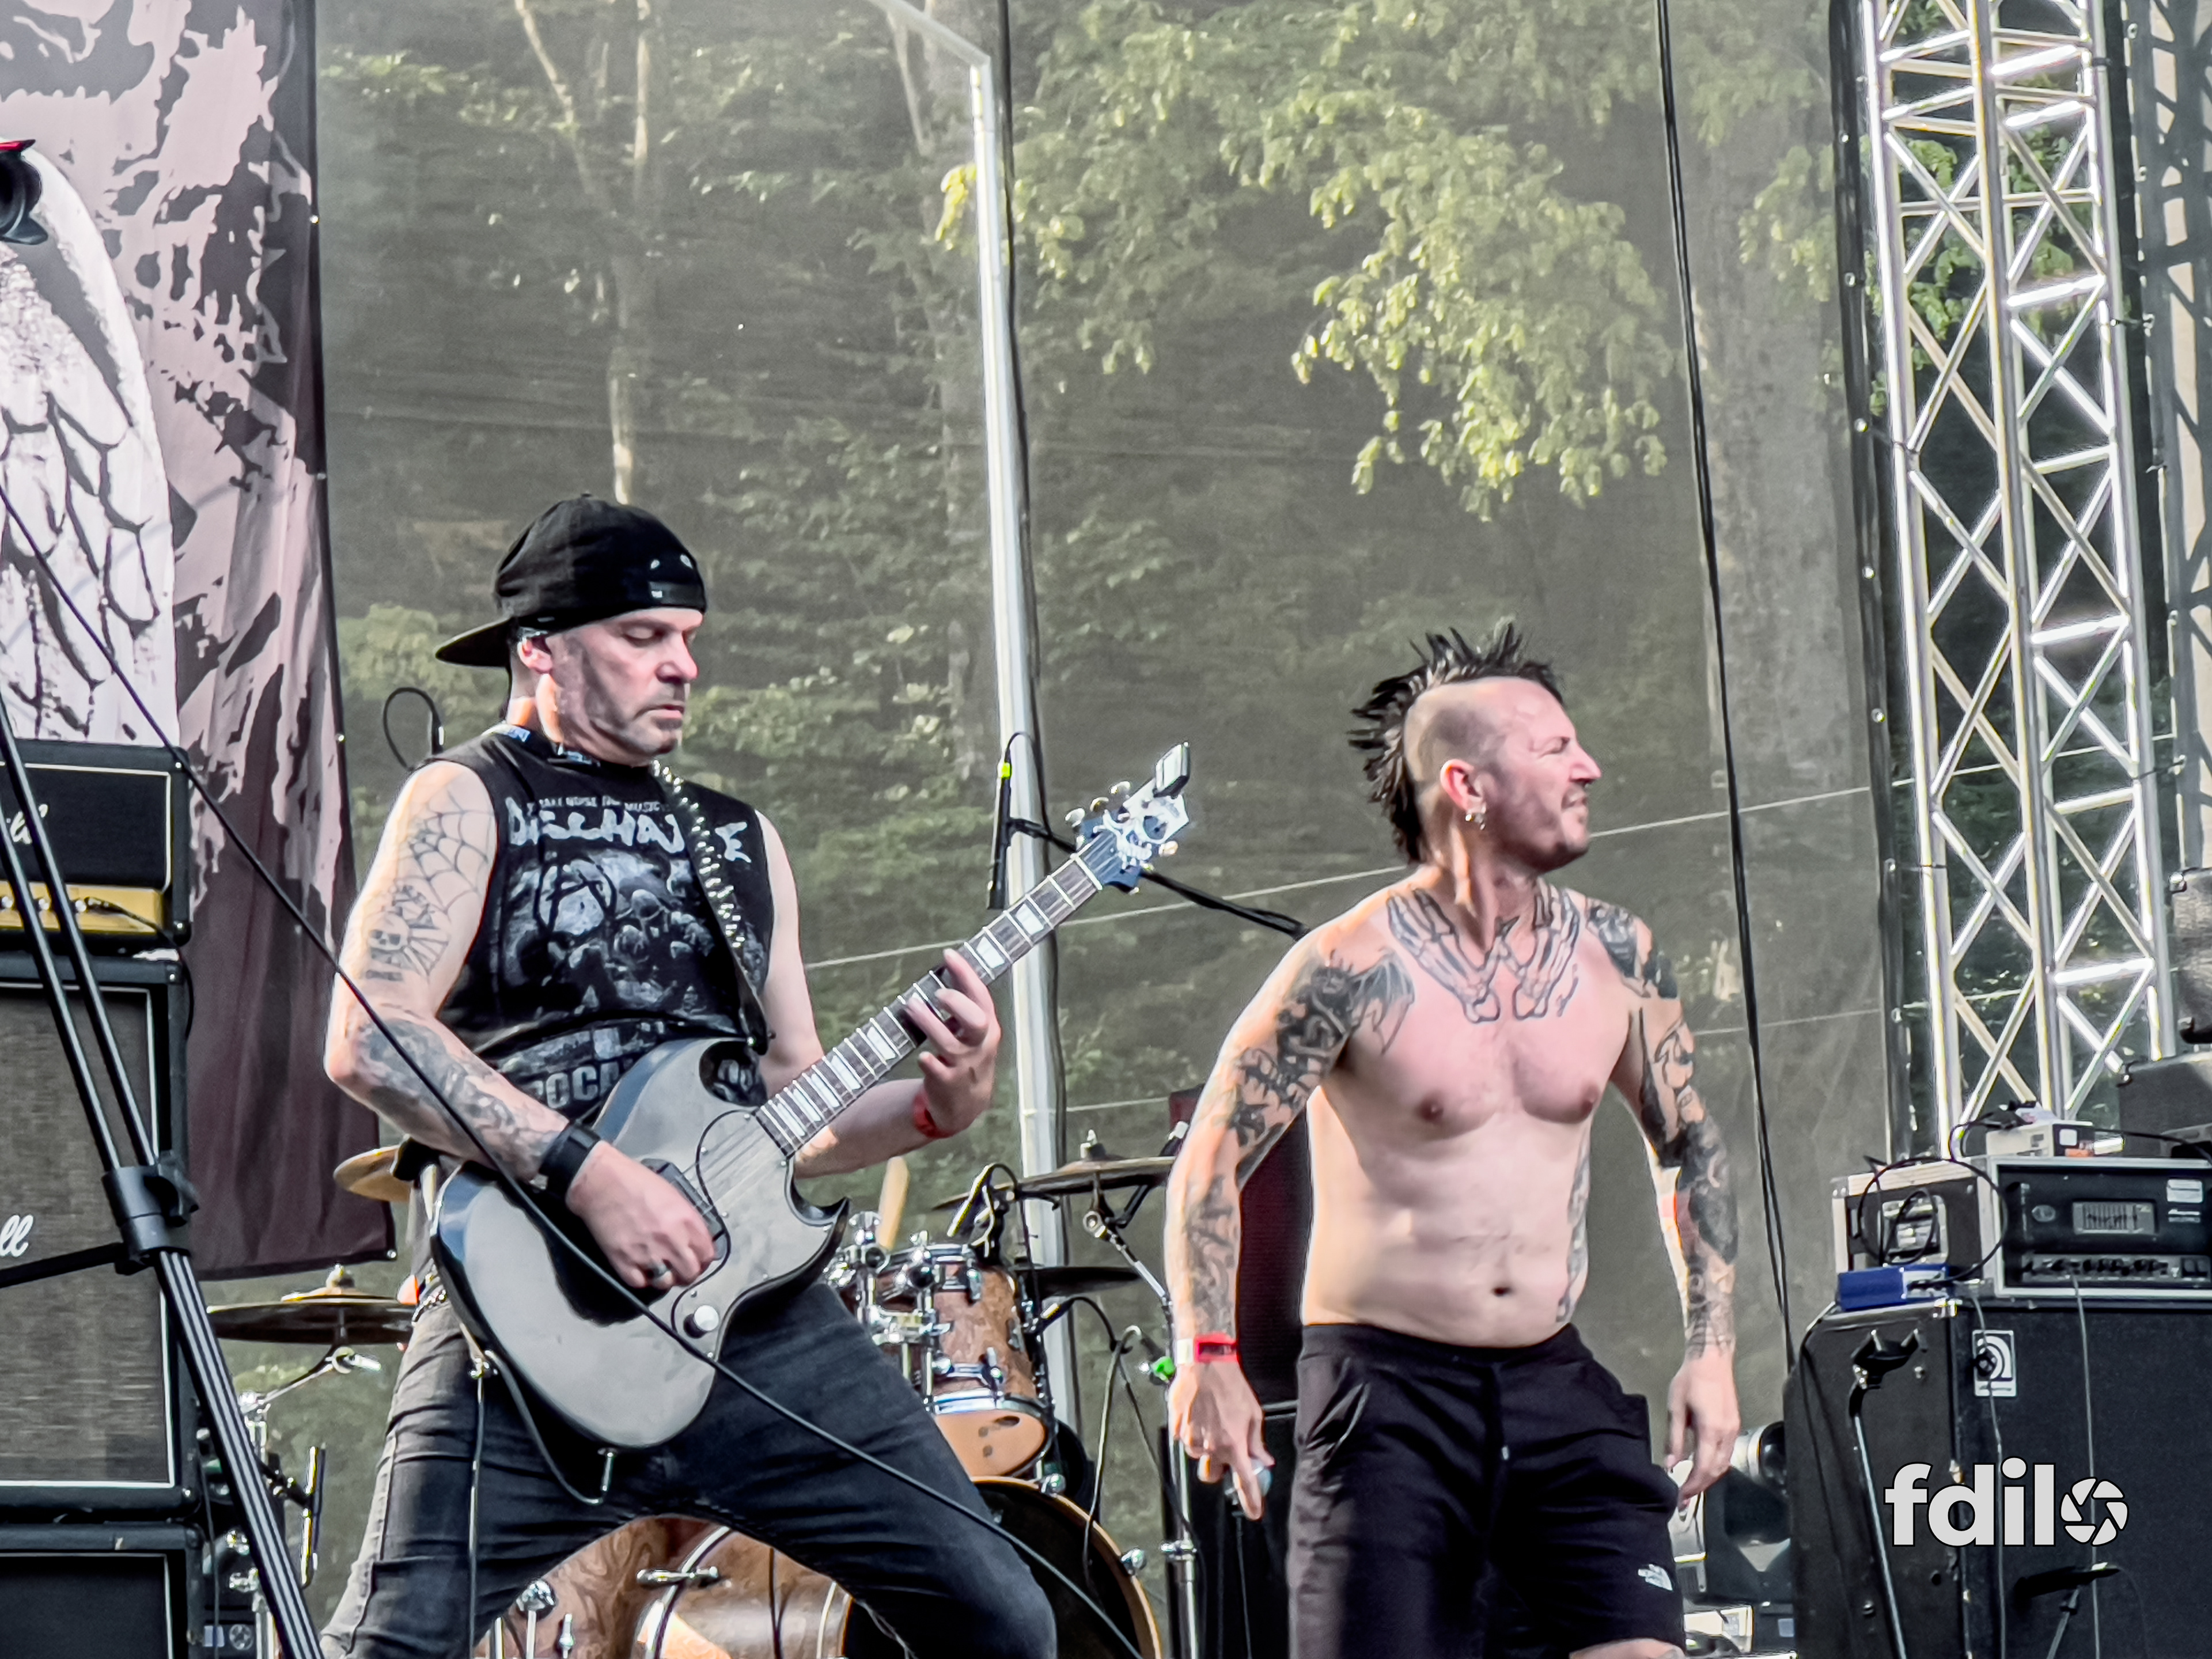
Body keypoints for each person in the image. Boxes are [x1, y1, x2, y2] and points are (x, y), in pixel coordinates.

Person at [320, 496, 1054, 1659]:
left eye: (690, 637)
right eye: (645, 636)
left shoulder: (738, 839)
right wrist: (588, 1172)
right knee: (394, 1645)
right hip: (530, 1312)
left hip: (754, 1326)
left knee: (1002, 1618)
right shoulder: (468, 797)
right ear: (540, 648)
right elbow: (370, 1036)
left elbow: (796, 1107)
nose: (683, 665)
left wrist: (936, 1105)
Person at [1165, 626, 1740, 1659]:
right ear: (1469, 786)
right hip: (1387, 1401)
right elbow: (1211, 1156)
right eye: (1555, 749)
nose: (1589, 768)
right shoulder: (1348, 966)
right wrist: (1208, 1355)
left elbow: (1690, 1150)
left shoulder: (1620, 955)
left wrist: (1712, 1354)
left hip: (1554, 1385)